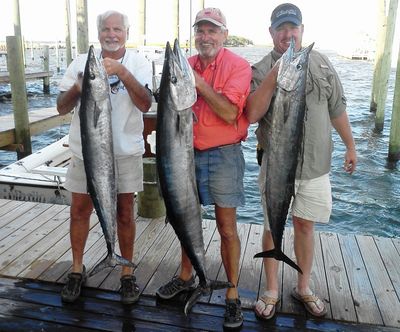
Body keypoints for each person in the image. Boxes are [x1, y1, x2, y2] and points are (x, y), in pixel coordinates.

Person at [246, 3, 357, 320]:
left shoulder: (321, 63)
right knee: (272, 224)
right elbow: (252, 113)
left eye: (293, 27)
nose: (288, 34)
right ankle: (271, 289)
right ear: (271, 33)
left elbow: (337, 108)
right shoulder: (260, 68)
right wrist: (276, 73)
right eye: (281, 28)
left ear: (302, 30)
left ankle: (303, 286)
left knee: (305, 225)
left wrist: (350, 145)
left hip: (315, 166)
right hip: (275, 167)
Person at [155, 7, 251, 329]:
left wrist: (198, 84)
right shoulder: (185, 64)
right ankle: (186, 276)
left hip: (223, 154)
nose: (205, 37)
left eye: (212, 31)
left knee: (226, 228)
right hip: (182, 154)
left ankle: (232, 294)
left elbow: (228, 113)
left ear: (224, 34)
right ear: (195, 35)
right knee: (183, 217)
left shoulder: (238, 66)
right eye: (201, 31)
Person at [57, 10, 152, 304]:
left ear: (127, 32)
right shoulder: (79, 63)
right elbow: (61, 107)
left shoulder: (139, 62)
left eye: (117, 29)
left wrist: (122, 73)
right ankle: (76, 270)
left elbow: (146, 103)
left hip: (125, 152)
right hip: (85, 152)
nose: (112, 34)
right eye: (106, 29)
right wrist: (76, 87)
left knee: (125, 211)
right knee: (79, 211)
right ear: (98, 34)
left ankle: (126, 273)